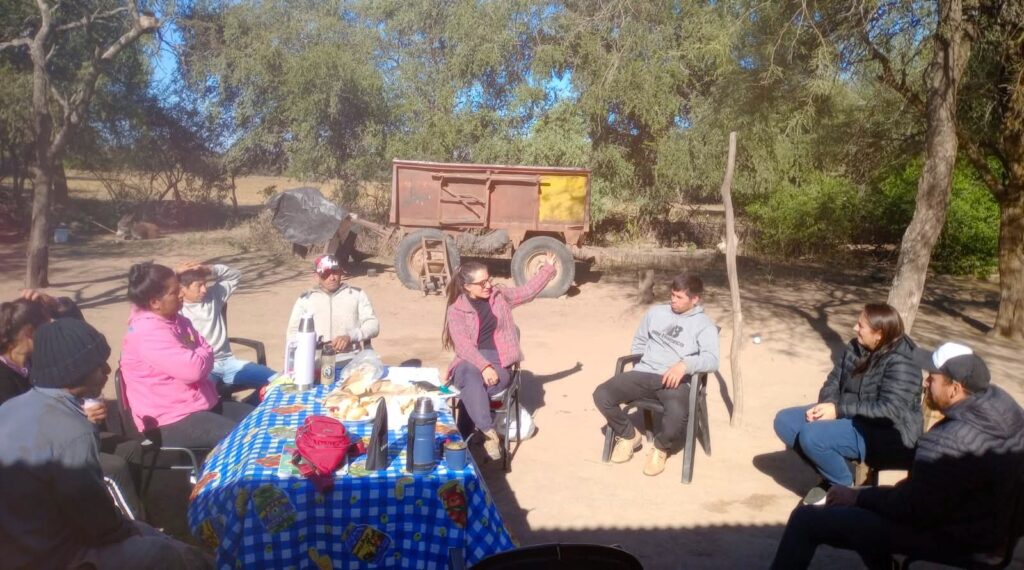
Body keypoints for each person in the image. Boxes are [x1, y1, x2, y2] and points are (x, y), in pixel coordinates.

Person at [771, 342, 1024, 569]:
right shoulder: (1010, 412)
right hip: (996, 535)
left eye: (932, 378)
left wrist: (857, 496)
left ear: (955, 389)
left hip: (958, 542)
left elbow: (910, 509)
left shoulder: (947, 441)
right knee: (869, 514)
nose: (925, 383)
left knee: (807, 520)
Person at [0, 318, 212, 569]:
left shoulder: (10, 408)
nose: (108, 370)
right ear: (75, 373)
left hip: (21, 544)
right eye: (99, 366)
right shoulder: (72, 429)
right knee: (162, 552)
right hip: (51, 557)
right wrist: (139, 534)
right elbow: (98, 523)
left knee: (153, 536)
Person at [0, 292, 145, 519]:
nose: (55, 336)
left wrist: (54, 303)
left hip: (63, 432)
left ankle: (132, 507)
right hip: (36, 455)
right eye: (47, 329)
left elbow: (78, 339)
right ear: (29, 334)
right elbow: (21, 429)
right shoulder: (4, 377)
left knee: (131, 448)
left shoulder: (33, 362)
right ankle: (129, 528)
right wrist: (77, 416)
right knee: (115, 468)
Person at [773, 303, 922, 505]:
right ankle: (833, 478)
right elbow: (833, 380)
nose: (854, 328)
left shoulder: (902, 361)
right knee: (786, 421)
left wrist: (839, 410)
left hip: (886, 433)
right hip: (850, 416)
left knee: (811, 436)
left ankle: (843, 487)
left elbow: (890, 410)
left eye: (861, 325)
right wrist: (827, 405)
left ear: (879, 333)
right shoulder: (855, 347)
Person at [592, 273, 719, 477]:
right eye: (672, 295)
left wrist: (685, 365)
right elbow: (640, 341)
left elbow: (712, 359)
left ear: (695, 299)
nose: (673, 301)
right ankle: (628, 436)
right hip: (644, 372)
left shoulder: (704, 325)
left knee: (678, 415)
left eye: (679, 298)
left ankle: (660, 448)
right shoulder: (656, 313)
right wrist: (639, 368)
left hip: (675, 381)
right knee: (602, 394)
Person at [120, 262, 252, 449]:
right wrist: (201, 351)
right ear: (155, 302)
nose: (181, 294)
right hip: (169, 419)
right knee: (244, 440)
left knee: (259, 421)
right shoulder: (148, 332)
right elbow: (195, 370)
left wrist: (199, 351)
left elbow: (205, 347)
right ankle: (218, 477)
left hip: (199, 403)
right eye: (175, 292)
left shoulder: (176, 319)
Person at [443, 257, 557, 460]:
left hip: (500, 360)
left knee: (472, 389)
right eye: (481, 283)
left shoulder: (500, 296)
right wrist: (484, 366)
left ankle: (466, 438)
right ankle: (489, 433)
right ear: (467, 286)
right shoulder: (456, 310)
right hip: (469, 360)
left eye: (489, 280)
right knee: (470, 375)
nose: (488, 285)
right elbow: (463, 346)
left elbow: (527, 292)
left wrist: (547, 270)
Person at [178, 261, 278, 390]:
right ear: (182, 288)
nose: (204, 289)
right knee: (200, 397)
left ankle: (251, 406)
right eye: (199, 286)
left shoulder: (213, 297)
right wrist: (175, 273)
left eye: (205, 284)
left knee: (278, 381)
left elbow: (235, 275)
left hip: (227, 362)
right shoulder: (175, 310)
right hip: (202, 367)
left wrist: (209, 269)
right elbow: (153, 293)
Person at [286, 254, 380, 362]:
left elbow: (373, 325)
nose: (332, 278)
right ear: (316, 276)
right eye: (326, 273)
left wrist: (350, 336)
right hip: (315, 361)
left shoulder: (356, 294)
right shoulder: (305, 299)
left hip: (351, 358)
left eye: (335, 272)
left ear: (341, 272)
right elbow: (292, 334)